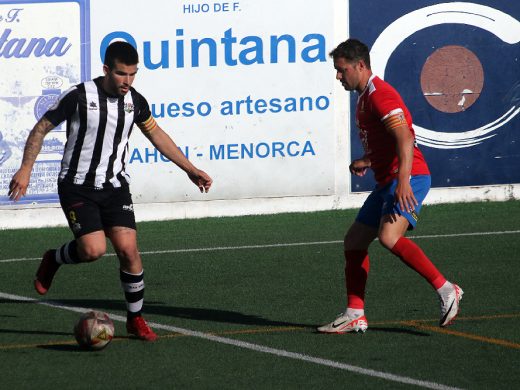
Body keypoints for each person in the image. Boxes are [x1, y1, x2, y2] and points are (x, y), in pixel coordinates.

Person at [8, 41, 213, 341]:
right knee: (93, 250)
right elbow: (41, 128)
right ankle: (54, 258)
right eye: (121, 74)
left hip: (115, 186)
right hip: (77, 185)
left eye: (133, 74)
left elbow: (157, 134)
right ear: (106, 70)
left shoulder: (136, 102)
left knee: (129, 251)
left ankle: (135, 318)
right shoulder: (79, 96)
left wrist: (190, 168)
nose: (127, 81)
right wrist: (25, 169)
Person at [317, 39, 463, 334]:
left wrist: (404, 181)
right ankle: (355, 313)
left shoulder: (380, 95)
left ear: (360, 65)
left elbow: (405, 139)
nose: (338, 76)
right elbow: (389, 141)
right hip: (390, 180)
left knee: (388, 237)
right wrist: (368, 160)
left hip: (410, 177)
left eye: (341, 70)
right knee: (354, 241)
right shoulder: (364, 98)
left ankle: (447, 289)